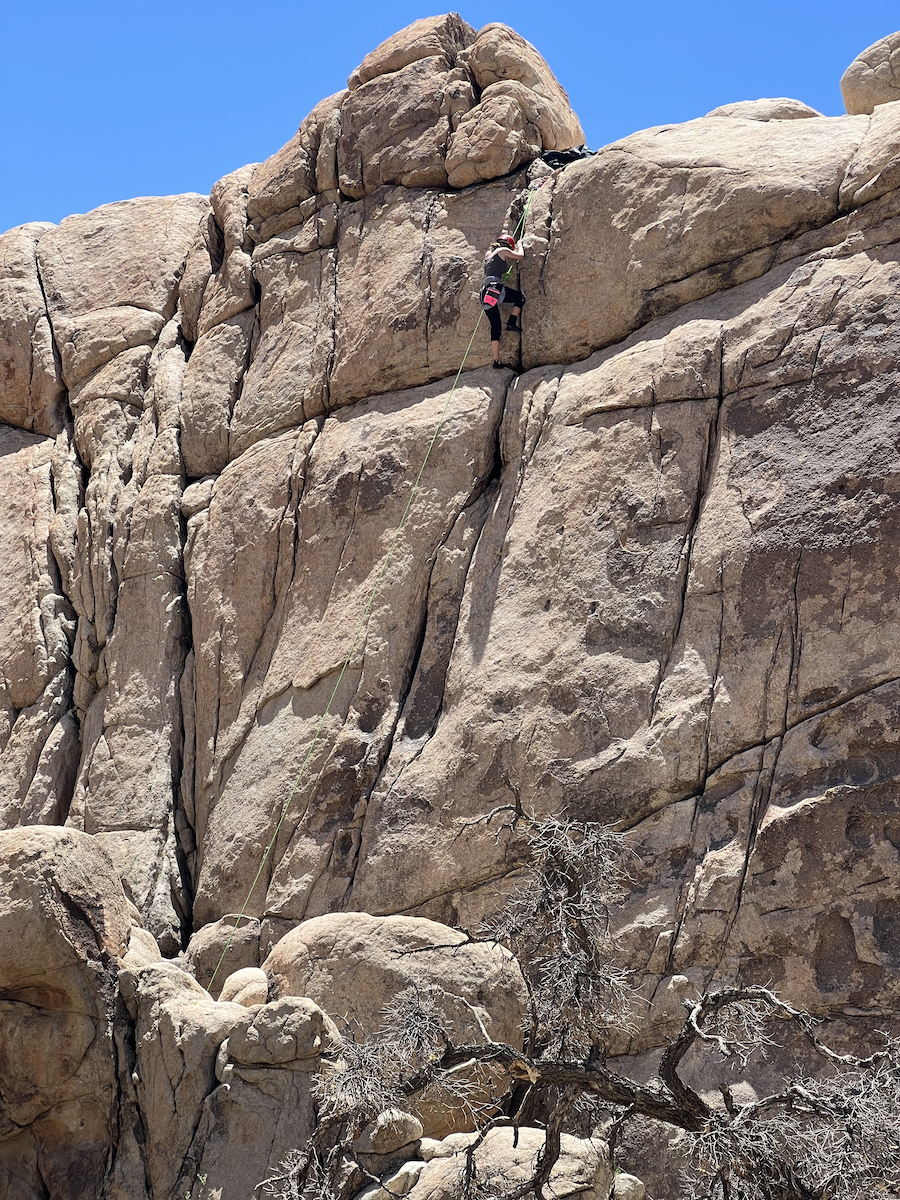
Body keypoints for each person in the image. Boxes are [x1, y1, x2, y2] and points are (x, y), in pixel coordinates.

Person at [481, 233, 526, 368]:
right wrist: (520, 245)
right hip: (495, 289)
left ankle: (496, 361)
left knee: (496, 327)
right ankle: (511, 322)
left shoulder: (489, 253)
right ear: (508, 246)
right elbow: (520, 256)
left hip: (485, 292)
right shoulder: (502, 250)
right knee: (520, 298)